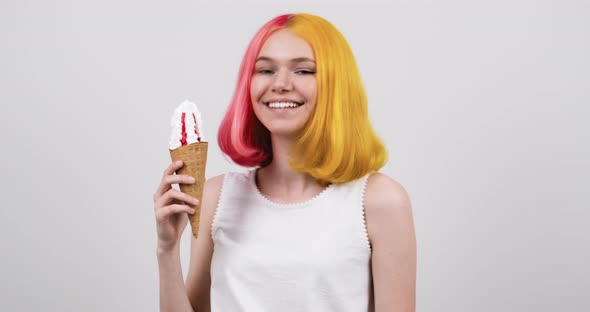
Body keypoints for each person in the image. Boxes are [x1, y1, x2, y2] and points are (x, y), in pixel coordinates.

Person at [153, 13, 416, 312]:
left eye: (303, 70)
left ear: (336, 85)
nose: (280, 84)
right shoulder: (215, 198)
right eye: (265, 70)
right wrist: (167, 249)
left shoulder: (380, 201)